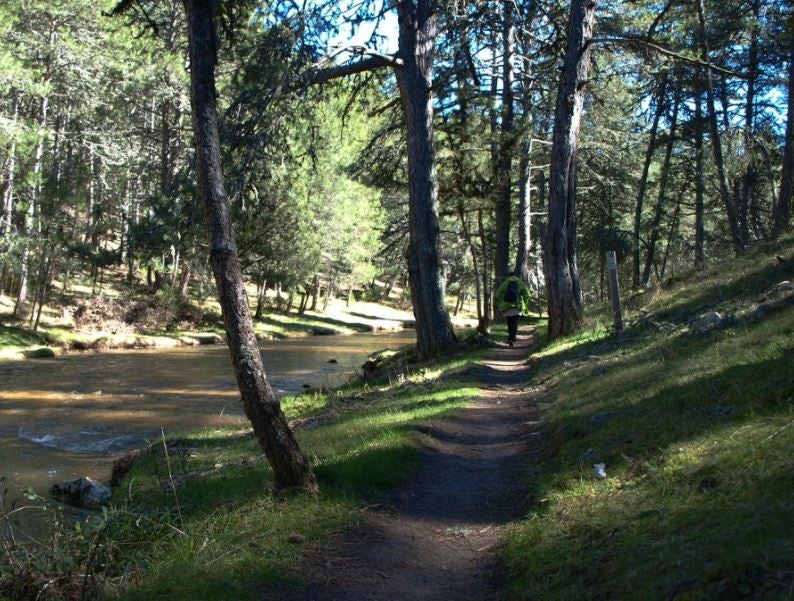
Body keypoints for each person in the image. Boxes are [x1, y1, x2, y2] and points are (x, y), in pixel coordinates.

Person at [495, 271, 531, 346]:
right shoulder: (520, 282)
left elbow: (498, 294)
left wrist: (503, 300)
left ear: (508, 276)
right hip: (517, 306)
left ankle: (510, 337)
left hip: (507, 307)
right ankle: (512, 337)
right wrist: (525, 302)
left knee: (509, 323)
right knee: (515, 322)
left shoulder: (505, 283)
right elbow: (527, 294)